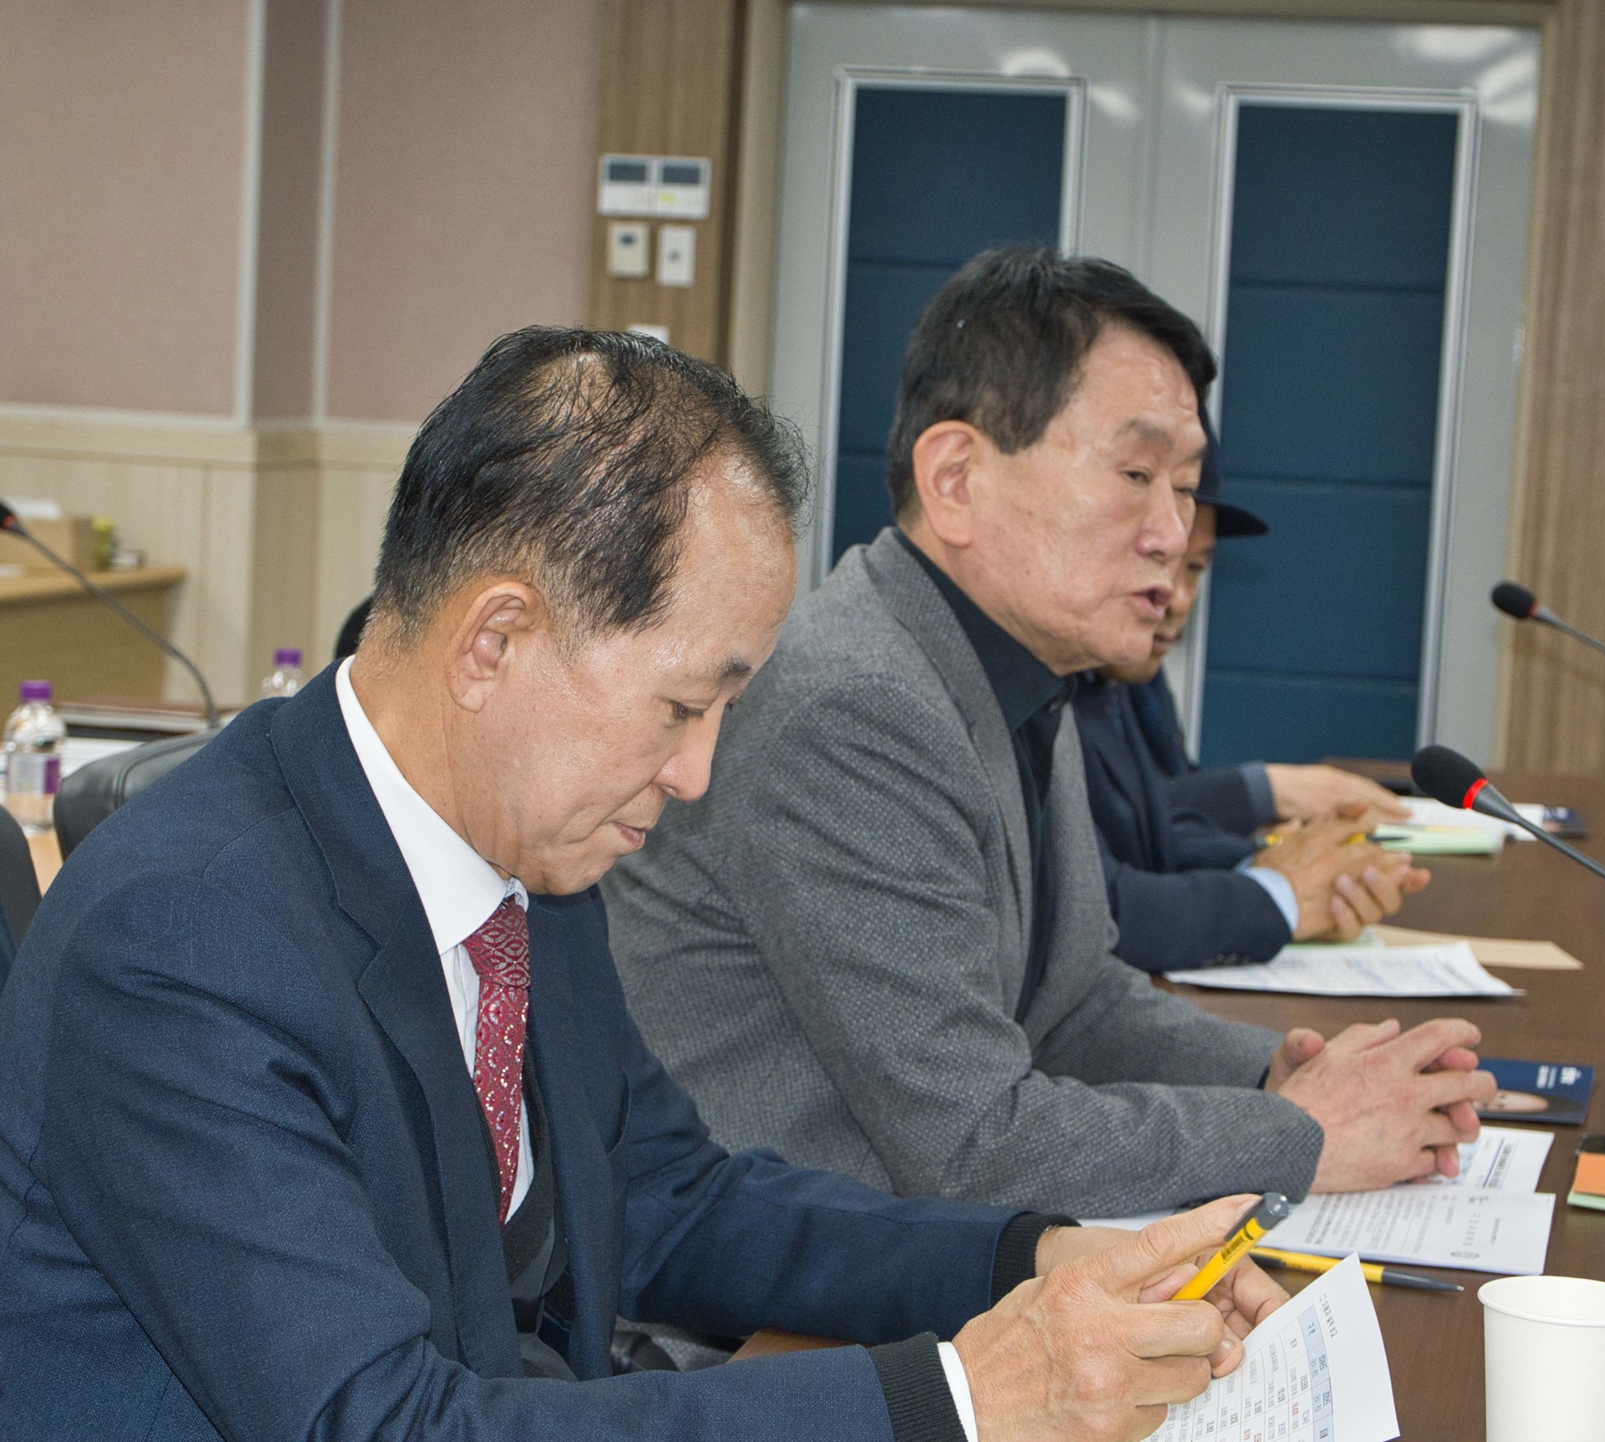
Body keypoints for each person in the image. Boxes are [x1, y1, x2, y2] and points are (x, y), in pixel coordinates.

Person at [0, 328, 1287, 1442]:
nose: (696, 772)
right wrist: (960, 1394)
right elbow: (386, 1420)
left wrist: (1035, 1252)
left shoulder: (533, 862)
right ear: (495, 640)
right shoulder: (181, 944)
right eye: (681, 705)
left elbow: (673, 1197)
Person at [604, 247, 1491, 1220]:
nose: (1172, 530)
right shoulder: (852, 704)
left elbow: (1072, 1003)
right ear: (956, 479)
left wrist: (1274, 1070)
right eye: (1136, 472)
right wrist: (1300, 1131)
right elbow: (973, 1144)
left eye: (1184, 483)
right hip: (772, 1279)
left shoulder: (1005, 663)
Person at [1073, 423, 1418, 974]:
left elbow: (1155, 834)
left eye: (1193, 568)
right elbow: (1101, 911)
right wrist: (1277, 888)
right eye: (1160, 561)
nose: (1174, 597)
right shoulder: (1061, 674)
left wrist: (1288, 866)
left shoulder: (1125, 672)